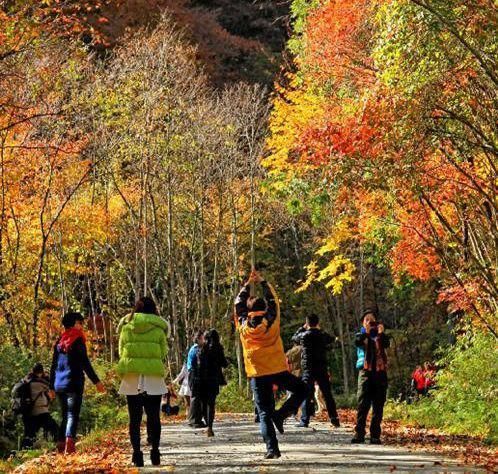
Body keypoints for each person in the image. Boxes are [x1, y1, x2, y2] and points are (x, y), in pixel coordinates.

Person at [235, 270, 306, 459]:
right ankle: (282, 414)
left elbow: (238, 305)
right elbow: (274, 301)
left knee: (264, 412)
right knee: (303, 390)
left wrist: (247, 284)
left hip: (257, 374)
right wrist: (263, 282)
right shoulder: (271, 320)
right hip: (276, 369)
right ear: (264, 308)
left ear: (248, 312)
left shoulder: (243, 325)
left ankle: (272, 449)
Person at [117, 297, 170, 468]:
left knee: (134, 418)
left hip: (132, 377)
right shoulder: (159, 329)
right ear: (153, 310)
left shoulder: (126, 327)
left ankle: (137, 454)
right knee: (154, 416)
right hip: (153, 377)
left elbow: (121, 351)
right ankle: (155, 451)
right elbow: (163, 352)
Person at [50, 312, 105, 454]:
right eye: (80, 323)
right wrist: (97, 382)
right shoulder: (77, 340)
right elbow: (85, 363)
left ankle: (61, 445)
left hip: (59, 384)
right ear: (75, 323)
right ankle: (70, 445)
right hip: (73, 383)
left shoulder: (59, 341)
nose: (81, 326)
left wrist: (51, 386)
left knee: (65, 415)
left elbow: (53, 365)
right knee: (72, 415)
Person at [292, 314, 340, 428]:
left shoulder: (303, 335)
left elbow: (294, 338)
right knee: (327, 394)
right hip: (321, 367)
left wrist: (302, 328)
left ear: (307, 323)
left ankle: (305, 420)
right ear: (317, 323)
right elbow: (332, 339)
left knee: (306, 394)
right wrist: (320, 330)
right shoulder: (322, 335)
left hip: (308, 368)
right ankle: (334, 419)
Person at [351, 309, 390, 444]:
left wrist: (381, 333)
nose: (369, 322)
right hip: (365, 372)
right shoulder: (360, 335)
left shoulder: (381, 336)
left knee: (378, 405)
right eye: (366, 320)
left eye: (371, 320)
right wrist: (367, 332)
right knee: (363, 404)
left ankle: (375, 435)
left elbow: (386, 344)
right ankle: (359, 433)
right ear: (363, 323)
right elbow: (358, 343)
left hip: (380, 373)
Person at [190, 329, 228, 437]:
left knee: (203, 403)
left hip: (201, 380)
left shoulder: (201, 348)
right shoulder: (218, 348)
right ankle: (210, 427)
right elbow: (224, 364)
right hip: (213, 380)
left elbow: (197, 366)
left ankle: (207, 424)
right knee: (211, 404)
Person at [20, 363, 58, 449]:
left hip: (28, 412)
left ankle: (22, 453)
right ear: (41, 371)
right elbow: (52, 393)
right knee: (54, 428)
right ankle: (60, 445)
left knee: (29, 434)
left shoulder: (26, 380)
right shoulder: (41, 382)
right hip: (41, 411)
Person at [187, 330, 206, 428]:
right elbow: (197, 363)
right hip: (193, 374)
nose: (204, 340)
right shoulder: (195, 349)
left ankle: (197, 419)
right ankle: (193, 420)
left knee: (197, 398)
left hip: (194, 374)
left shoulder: (196, 348)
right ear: (198, 339)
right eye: (203, 338)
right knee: (195, 397)